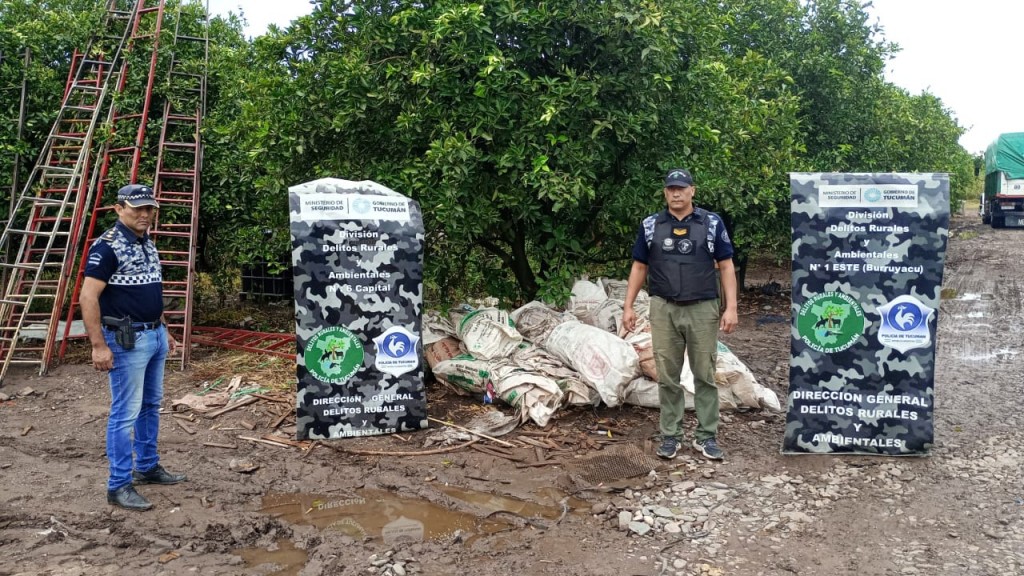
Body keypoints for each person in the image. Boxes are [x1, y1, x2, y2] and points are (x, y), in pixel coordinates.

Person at [80, 183, 187, 511]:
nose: (144, 214)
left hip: (153, 336)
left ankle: (147, 467)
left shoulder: (147, 243)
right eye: (137, 208)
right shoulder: (106, 247)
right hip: (127, 339)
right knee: (125, 412)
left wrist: (164, 328)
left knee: (150, 405)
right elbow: (88, 297)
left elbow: (151, 288)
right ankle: (119, 485)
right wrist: (98, 345)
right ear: (118, 209)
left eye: (149, 209)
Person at [622, 168, 738, 461]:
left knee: (704, 374)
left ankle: (706, 436)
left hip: (702, 308)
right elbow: (639, 267)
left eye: (681, 188)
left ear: (692, 191)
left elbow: (726, 266)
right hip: (664, 308)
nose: (676, 193)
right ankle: (671, 436)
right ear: (665, 193)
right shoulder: (651, 225)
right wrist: (628, 306)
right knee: (668, 376)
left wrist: (731, 307)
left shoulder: (711, 223)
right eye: (671, 188)